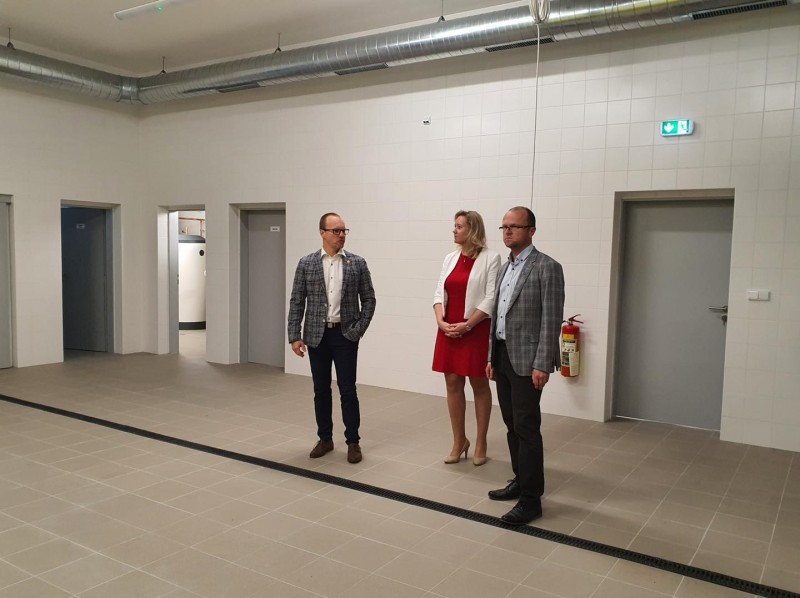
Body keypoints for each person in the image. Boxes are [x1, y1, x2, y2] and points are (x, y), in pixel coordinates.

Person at [486, 206, 565, 525]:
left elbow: (551, 319)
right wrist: (491, 357)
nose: (507, 231)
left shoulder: (547, 267)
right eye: (504, 226)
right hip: (503, 355)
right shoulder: (505, 267)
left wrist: (542, 363)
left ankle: (531, 500)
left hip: (529, 360)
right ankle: (520, 480)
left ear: (531, 231)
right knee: (511, 424)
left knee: (527, 427)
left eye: (514, 227)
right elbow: (498, 316)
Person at [287, 213, 376, 464]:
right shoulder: (307, 263)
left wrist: (357, 330)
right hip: (317, 336)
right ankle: (325, 438)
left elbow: (369, 299)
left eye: (344, 230)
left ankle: (353, 441)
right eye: (336, 231)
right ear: (322, 232)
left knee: (348, 390)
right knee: (321, 390)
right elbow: (297, 300)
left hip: (345, 335)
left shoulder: (357, 263)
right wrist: (294, 335)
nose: (341, 235)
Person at [433, 210, 501, 466]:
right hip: (449, 328)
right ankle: (459, 440)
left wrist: (468, 324)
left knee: (479, 384)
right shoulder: (450, 258)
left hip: (476, 328)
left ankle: (481, 441)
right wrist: (441, 322)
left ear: (472, 230)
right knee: (452, 382)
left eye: (459, 226)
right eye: (455, 225)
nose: (454, 230)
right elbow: (438, 293)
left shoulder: (491, 258)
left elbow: (491, 297)